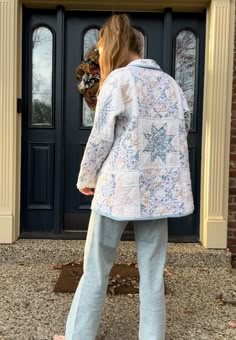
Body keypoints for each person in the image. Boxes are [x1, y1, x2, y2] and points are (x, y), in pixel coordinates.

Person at [54, 13, 193, 340]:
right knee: (152, 273)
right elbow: (179, 133)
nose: (99, 56)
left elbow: (101, 136)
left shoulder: (118, 80)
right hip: (157, 193)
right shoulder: (172, 85)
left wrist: (85, 176)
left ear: (113, 46)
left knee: (96, 268)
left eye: (101, 49)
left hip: (119, 188)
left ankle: (79, 336)